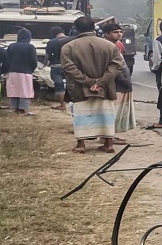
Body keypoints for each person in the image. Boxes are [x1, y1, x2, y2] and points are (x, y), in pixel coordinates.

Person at [61, 16, 124, 154]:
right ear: (94, 27)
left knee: (81, 114)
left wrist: (88, 82)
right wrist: (101, 82)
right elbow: (117, 65)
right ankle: (108, 143)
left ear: (76, 28)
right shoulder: (110, 46)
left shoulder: (68, 47)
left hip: (79, 87)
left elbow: (69, 68)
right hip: (105, 87)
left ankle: (81, 145)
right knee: (106, 113)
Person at [102, 22, 136, 141]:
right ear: (106, 34)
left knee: (116, 111)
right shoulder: (107, 47)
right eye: (115, 32)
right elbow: (113, 67)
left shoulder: (116, 45)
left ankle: (110, 136)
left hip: (120, 83)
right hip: (115, 84)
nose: (119, 34)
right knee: (113, 111)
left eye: (120, 32)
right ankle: (107, 137)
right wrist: (123, 80)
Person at [5, 28, 38, 116]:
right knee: (25, 91)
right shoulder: (30, 47)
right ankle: (23, 110)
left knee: (14, 90)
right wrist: (31, 69)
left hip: (12, 72)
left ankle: (15, 108)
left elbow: (7, 59)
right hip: (25, 72)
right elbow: (33, 61)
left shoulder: (11, 46)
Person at [44, 26, 69, 110]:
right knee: (72, 84)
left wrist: (45, 64)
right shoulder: (71, 40)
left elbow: (47, 55)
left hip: (56, 66)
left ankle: (62, 105)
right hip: (69, 66)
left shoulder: (51, 42)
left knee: (59, 85)